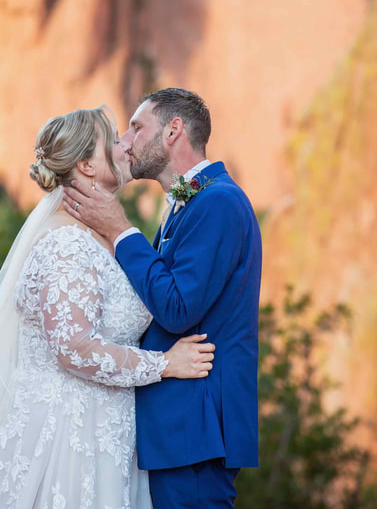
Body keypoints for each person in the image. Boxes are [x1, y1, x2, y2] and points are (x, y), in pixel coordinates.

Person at [0, 106, 215, 509]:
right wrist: (165, 364)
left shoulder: (104, 238)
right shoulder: (67, 243)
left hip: (107, 438)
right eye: (112, 139)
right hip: (65, 442)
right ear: (86, 165)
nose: (124, 144)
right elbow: (74, 347)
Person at [64, 89, 262, 509]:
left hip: (197, 428)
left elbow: (176, 307)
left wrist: (120, 230)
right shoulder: (190, 203)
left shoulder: (219, 202)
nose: (127, 141)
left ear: (173, 130)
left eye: (137, 127)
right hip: (181, 429)